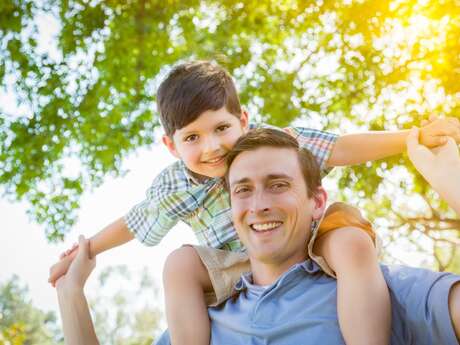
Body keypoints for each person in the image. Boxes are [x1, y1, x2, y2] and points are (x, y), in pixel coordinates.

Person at [49, 60, 460, 345]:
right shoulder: (175, 187)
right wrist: (81, 262)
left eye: (221, 129)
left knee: (351, 242)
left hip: (316, 239)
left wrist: (411, 139)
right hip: (232, 263)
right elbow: (134, 222)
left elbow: (341, 147)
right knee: (179, 264)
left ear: (243, 121)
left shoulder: (278, 145)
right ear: (170, 146)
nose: (212, 148)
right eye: (192, 138)